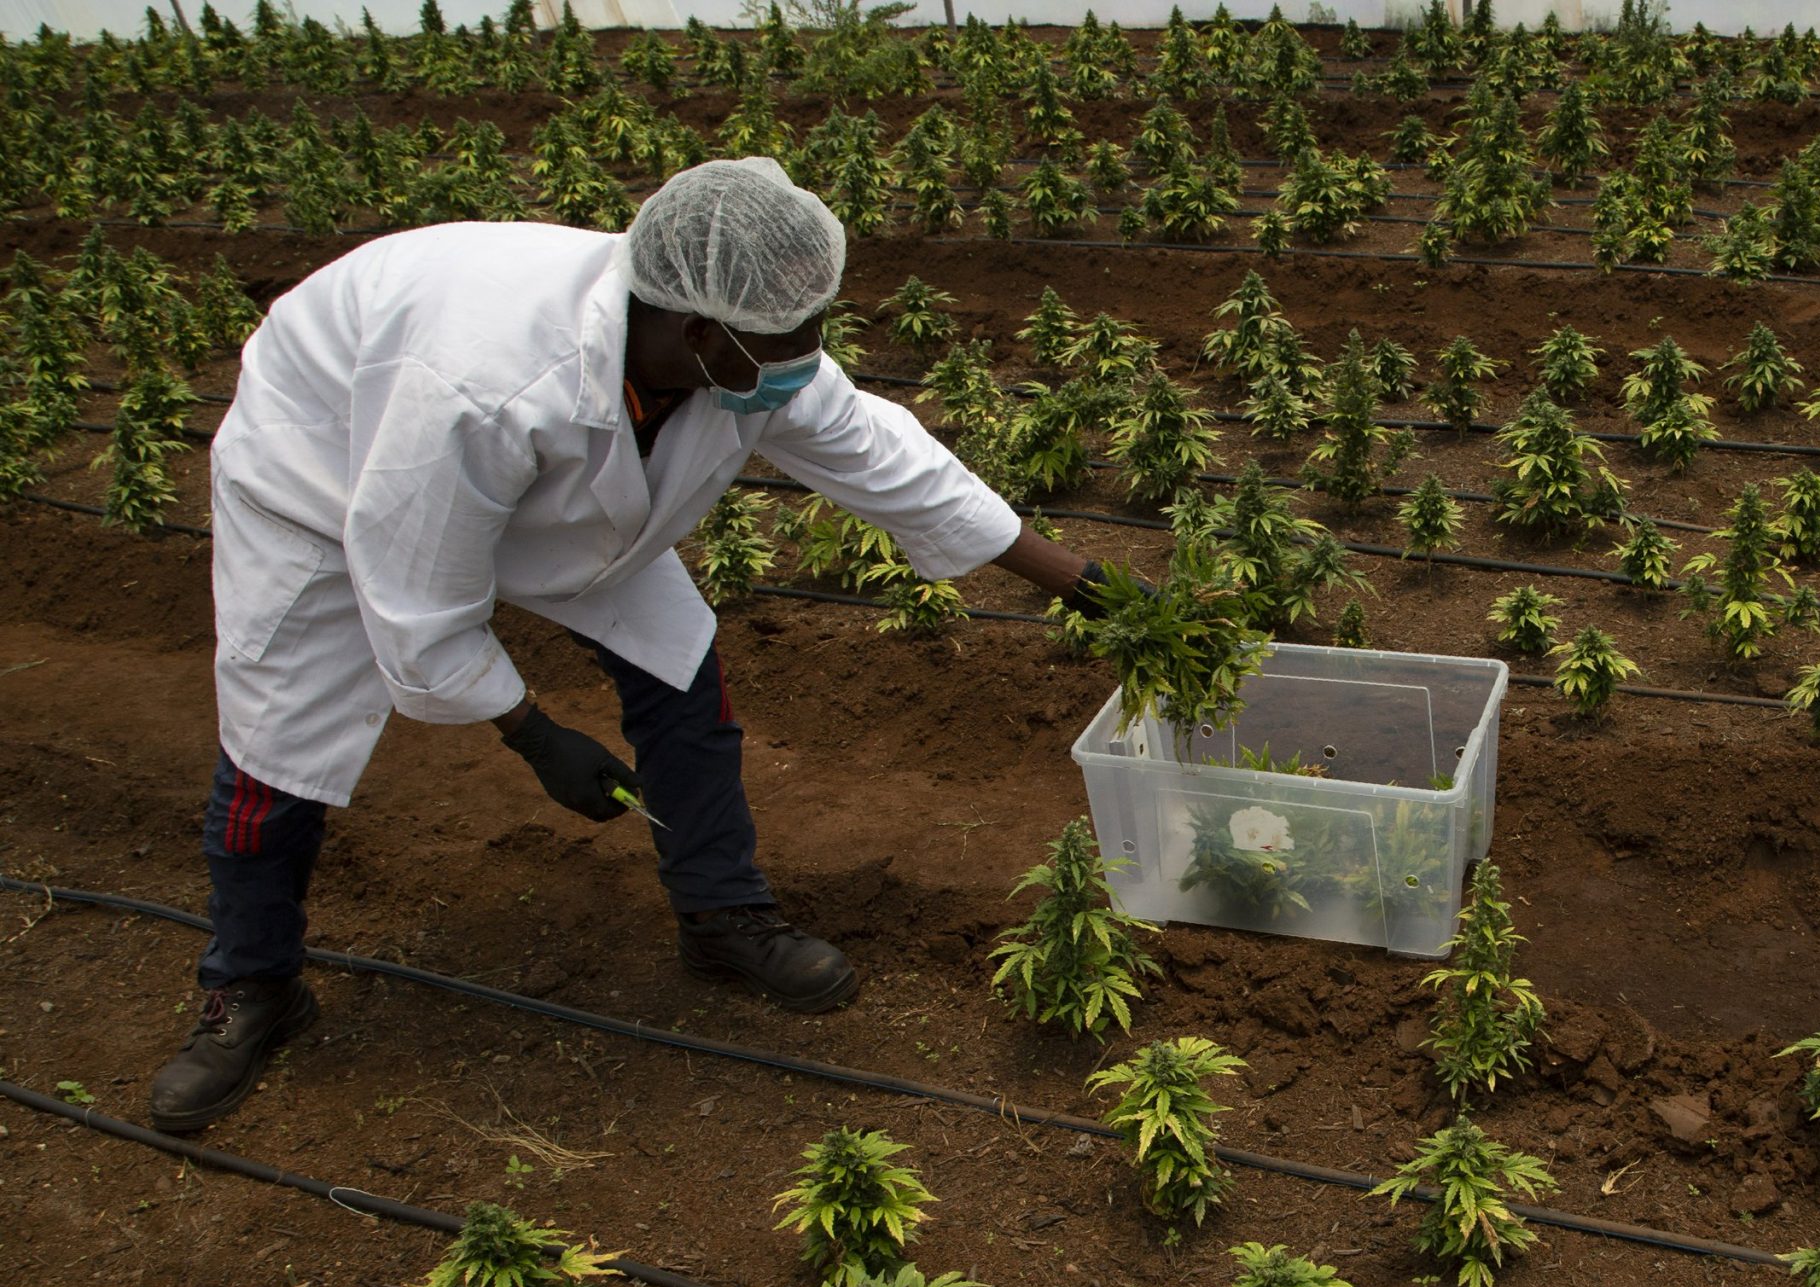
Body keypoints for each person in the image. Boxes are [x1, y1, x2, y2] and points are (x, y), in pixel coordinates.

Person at [150, 156, 1108, 1132]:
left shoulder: (735, 348)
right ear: (697, 332)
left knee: (682, 675)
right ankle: (252, 988)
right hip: (333, 456)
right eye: (787, 347)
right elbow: (418, 593)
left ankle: (721, 915)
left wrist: (1090, 586)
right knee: (276, 750)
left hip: (535, 477)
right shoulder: (483, 383)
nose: (802, 367)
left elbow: (890, 459)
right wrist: (531, 733)